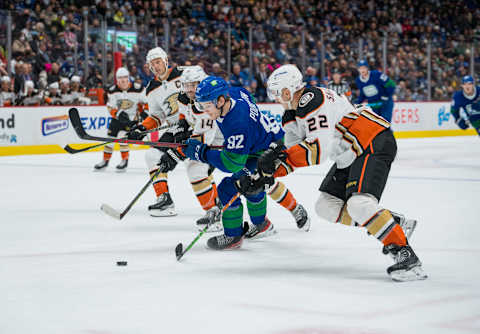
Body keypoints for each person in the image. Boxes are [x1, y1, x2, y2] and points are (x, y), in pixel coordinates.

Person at [254, 64, 426, 281]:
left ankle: (406, 257)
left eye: (277, 94)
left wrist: (279, 163)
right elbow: (291, 152)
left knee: (359, 205)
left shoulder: (312, 99)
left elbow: (317, 151)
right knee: (325, 207)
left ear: (287, 91)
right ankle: (391, 223)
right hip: (350, 153)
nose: (275, 99)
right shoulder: (291, 115)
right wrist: (264, 175)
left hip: (372, 139)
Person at [182, 76, 283, 250]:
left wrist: (202, 153)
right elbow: (248, 97)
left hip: (265, 154)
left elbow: (231, 164)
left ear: (221, 100)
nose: (205, 110)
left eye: (207, 105)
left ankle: (233, 235)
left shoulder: (237, 123)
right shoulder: (234, 93)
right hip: (266, 144)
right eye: (202, 105)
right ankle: (262, 225)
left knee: (229, 188)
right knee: (252, 185)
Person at [156, 65, 224, 231]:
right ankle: (216, 207)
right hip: (208, 137)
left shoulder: (207, 101)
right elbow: (185, 117)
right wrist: (181, 127)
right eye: (186, 85)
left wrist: (174, 155)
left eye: (193, 85)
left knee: (195, 168)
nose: (189, 89)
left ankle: (213, 217)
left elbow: (202, 139)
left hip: (222, 141)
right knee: (200, 170)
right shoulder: (184, 97)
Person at [127, 47, 183, 217]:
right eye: (152, 64)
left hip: (194, 126)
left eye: (158, 62)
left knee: (198, 165)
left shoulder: (184, 74)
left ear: (166, 60)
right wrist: (142, 128)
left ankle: (215, 205)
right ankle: (164, 199)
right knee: (152, 156)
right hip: (174, 129)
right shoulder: (151, 88)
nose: (156, 66)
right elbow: (157, 116)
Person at [94, 67, 146, 172]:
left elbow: (147, 102)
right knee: (109, 139)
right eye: (120, 78)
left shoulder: (139, 88)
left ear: (129, 78)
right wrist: (117, 114)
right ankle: (105, 160)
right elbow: (110, 107)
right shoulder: (112, 91)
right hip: (118, 118)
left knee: (123, 138)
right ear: (117, 80)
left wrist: (144, 113)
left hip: (132, 119)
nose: (123, 80)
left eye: (125, 77)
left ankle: (124, 160)